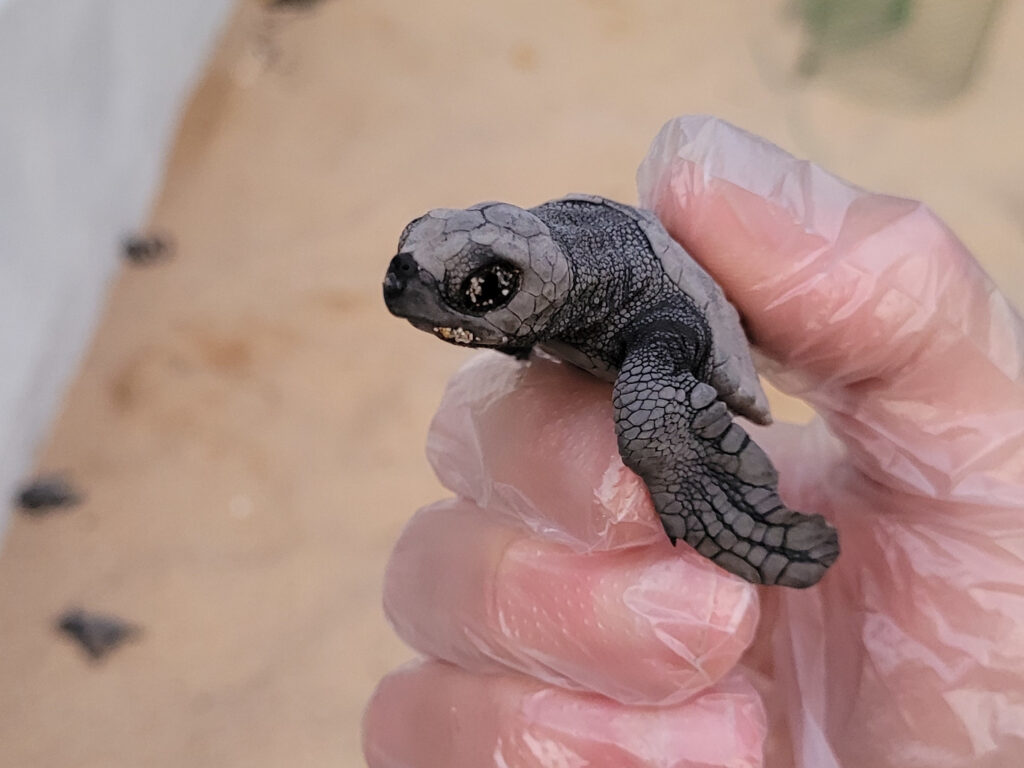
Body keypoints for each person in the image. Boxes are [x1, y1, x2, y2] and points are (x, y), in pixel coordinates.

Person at [362, 116, 1024, 767]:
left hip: (671, 330)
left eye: (481, 288)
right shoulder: (550, 263)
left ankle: (736, 511)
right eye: (412, 252)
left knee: (649, 431)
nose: (409, 288)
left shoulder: (641, 314)